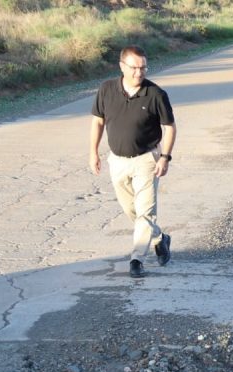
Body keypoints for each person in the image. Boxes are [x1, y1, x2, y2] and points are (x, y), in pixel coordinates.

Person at [89, 45, 175, 279]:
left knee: (145, 213)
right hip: (117, 161)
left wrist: (165, 157)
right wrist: (93, 152)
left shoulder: (156, 94)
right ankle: (159, 238)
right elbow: (98, 122)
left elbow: (169, 128)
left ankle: (137, 259)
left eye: (143, 67)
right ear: (122, 66)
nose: (140, 72)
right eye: (135, 67)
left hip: (147, 160)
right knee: (132, 211)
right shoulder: (107, 89)